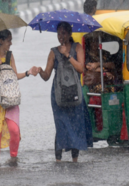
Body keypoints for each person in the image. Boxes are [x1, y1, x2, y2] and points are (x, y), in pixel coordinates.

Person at [32, 22, 93, 162]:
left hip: (75, 92)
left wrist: (68, 55)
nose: (61, 36)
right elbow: (47, 76)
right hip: (59, 95)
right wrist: (40, 71)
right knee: (61, 126)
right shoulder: (53, 52)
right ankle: (58, 161)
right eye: (59, 33)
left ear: (70, 33)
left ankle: (75, 160)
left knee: (76, 125)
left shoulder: (77, 48)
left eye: (64, 33)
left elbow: (81, 69)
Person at [0, 29, 37, 167]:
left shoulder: (10, 56)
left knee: (14, 130)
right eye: (9, 41)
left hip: (10, 97)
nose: (11, 44)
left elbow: (14, 75)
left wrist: (27, 72)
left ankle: (13, 160)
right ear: (1, 41)